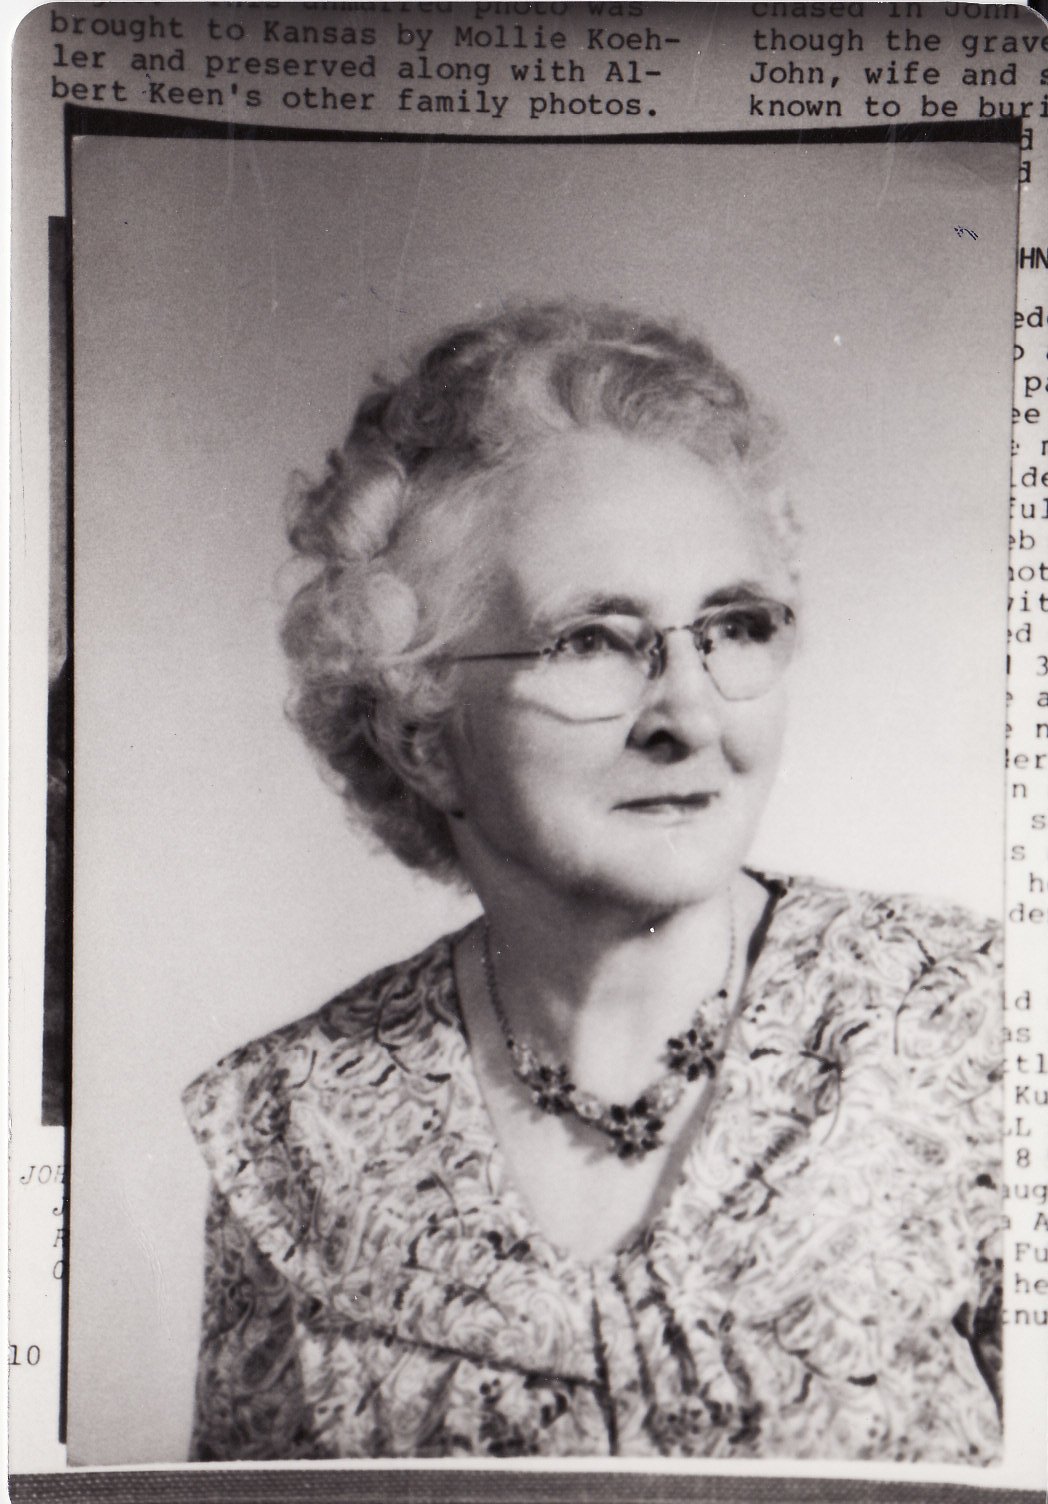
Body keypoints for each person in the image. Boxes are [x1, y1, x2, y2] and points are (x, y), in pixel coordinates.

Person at [182, 301, 1003, 1463]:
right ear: (423, 734)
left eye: (733, 625)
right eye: (590, 641)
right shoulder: (293, 1128)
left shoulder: (970, 1029)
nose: (689, 716)